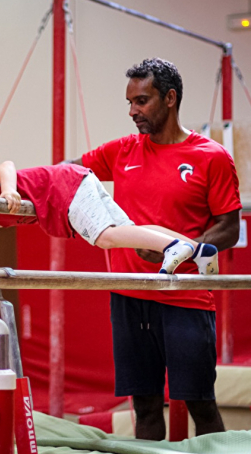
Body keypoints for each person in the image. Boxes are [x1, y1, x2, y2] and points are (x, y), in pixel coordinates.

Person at [66, 58, 242, 440]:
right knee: (144, 409)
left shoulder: (210, 156)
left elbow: (230, 228)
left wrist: (178, 250)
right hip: (128, 295)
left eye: (142, 101)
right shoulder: (122, 151)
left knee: (201, 404)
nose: (133, 112)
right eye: (129, 102)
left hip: (184, 297)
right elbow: (67, 174)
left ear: (170, 98)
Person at [0, 160, 217, 274]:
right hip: (74, 183)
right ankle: (199, 250)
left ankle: (173, 248)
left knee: (105, 238)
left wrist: (10, 189)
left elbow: (4, 166)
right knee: (131, 230)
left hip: (67, 188)